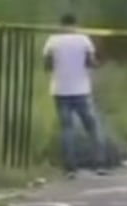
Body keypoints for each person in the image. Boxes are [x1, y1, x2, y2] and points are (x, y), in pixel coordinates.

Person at [43, 13, 106, 177]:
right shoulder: (83, 40)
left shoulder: (52, 41)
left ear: (60, 24)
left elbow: (47, 65)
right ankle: (99, 163)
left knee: (67, 129)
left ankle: (71, 168)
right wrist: (94, 65)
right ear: (75, 24)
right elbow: (91, 62)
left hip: (60, 90)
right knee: (92, 127)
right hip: (81, 90)